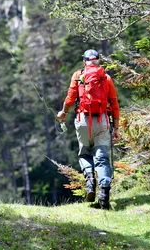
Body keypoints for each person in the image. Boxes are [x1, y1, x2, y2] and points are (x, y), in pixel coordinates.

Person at [56, 49, 120, 209]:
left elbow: (70, 98)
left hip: (83, 121)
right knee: (102, 158)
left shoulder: (78, 76)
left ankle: (90, 182)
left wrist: (63, 113)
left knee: (84, 153)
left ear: (84, 61)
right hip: (103, 121)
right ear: (97, 61)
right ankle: (104, 195)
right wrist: (116, 128)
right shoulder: (106, 77)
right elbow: (114, 103)